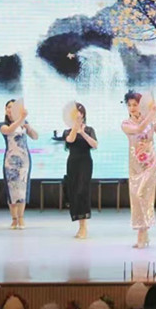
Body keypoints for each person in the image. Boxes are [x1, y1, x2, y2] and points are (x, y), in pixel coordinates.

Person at [121, 90, 156, 248]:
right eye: (129, 105)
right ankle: (144, 232)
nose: (132, 108)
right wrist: (151, 114)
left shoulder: (150, 121)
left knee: (144, 195)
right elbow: (138, 129)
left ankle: (142, 234)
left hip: (150, 162)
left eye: (135, 105)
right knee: (136, 196)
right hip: (135, 163)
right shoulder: (126, 124)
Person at [0, 99, 38, 230]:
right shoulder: (2, 124)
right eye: (8, 107)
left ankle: (21, 218)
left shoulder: (24, 123)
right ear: (6, 110)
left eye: (13, 107)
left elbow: (35, 136)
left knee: (22, 189)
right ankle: (14, 219)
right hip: (10, 161)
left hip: (24, 160)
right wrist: (21, 118)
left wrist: (28, 127)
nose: (10, 109)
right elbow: (8, 130)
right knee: (11, 190)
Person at [63, 102, 98, 239]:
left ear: (83, 115)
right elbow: (70, 140)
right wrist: (75, 127)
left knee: (83, 191)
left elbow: (94, 145)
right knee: (74, 192)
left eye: (79, 113)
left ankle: (84, 227)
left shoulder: (89, 130)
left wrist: (82, 132)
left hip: (85, 163)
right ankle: (79, 225)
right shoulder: (67, 131)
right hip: (73, 163)